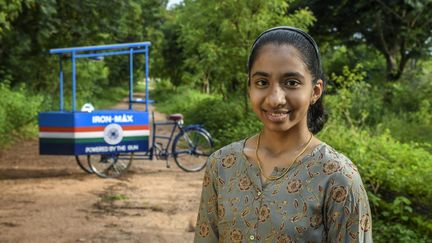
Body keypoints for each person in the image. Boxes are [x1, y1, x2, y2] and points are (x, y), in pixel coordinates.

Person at [194, 26, 372, 243]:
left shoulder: (338, 177)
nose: (275, 99)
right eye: (262, 83)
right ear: (250, 87)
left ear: (315, 91)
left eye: (291, 83)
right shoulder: (222, 165)